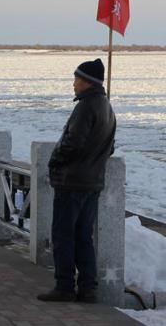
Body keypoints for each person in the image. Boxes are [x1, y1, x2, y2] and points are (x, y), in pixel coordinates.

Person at [38, 58, 116, 304]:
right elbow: (110, 147)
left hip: (72, 182)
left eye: (76, 79)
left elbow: (73, 142)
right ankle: (88, 288)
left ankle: (64, 286)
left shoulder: (85, 107)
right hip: (92, 183)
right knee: (83, 236)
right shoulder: (107, 107)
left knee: (63, 235)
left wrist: (55, 162)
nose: (73, 84)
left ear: (87, 82)